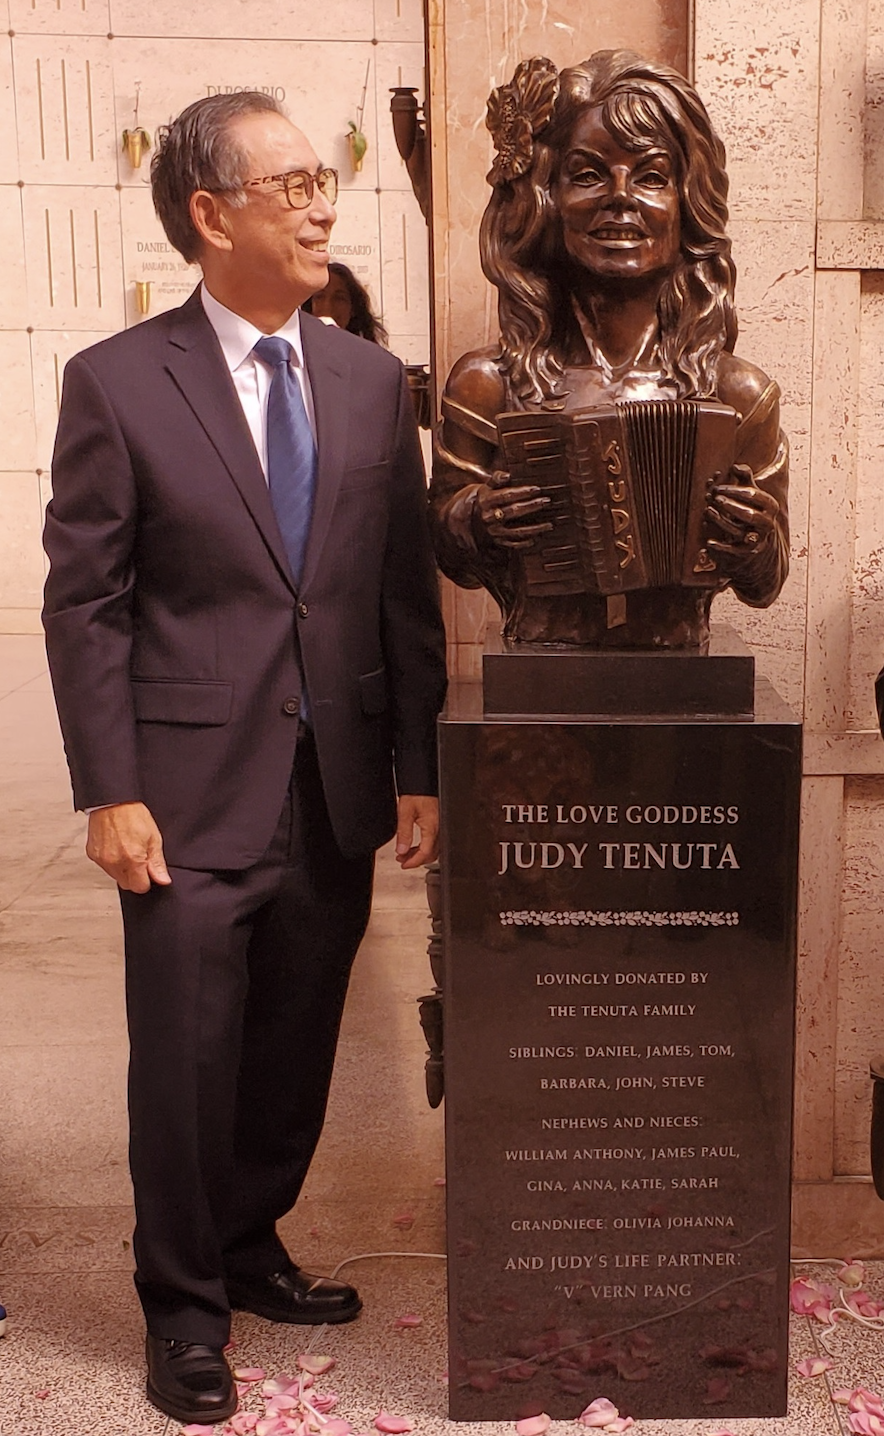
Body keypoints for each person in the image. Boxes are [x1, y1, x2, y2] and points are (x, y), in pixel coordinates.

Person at [42, 91, 447, 1427]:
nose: (324, 202)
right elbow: (86, 600)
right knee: (186, 1062)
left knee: (288, 1050)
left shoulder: (369, 383)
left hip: (328, 788)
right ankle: (181, 1309)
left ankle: (249, 1243)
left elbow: (398, 590)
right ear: (212, 216)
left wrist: (418, 764)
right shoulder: (117, 382)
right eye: (291, 186)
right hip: (179, 795)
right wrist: (108, 786)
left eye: (326, 182)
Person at [430, 50, 789, 648]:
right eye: (589, 174)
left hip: (681, 683)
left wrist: (753, 540)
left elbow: (766, 583)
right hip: (538, 684)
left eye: (651, 176)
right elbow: (448, 555)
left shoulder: (736, 394)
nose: (620, 198)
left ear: (686, 204)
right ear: (547, 201)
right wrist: (477, 520)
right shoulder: (488, 384)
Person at [304, 261, 388, 345]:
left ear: (353, 308)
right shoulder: (296, 353)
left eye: (339, 298)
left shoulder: (367, 356)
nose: (328, 306)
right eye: (320, 296)